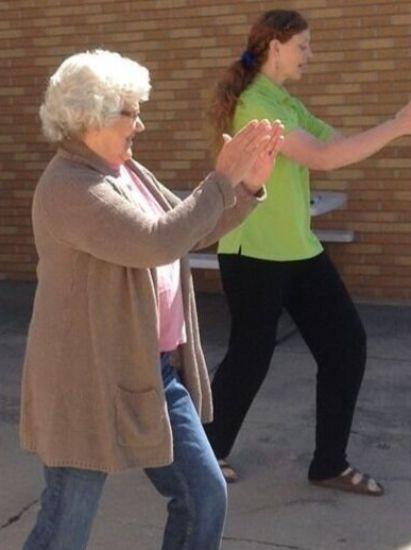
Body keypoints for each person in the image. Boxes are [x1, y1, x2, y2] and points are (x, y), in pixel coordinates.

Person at [20, 49, 282, 550]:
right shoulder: (70, 186)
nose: (140, 124)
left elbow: (185, 229)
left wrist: (244, 187)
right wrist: (221, 179)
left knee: (204, 496)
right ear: (89, 115)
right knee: (65, 527)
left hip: (152, 372)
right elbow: (155, 241)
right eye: (130, 112)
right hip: (84, 380)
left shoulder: (126, 171)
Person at [205, 9, 411, 496]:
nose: (310, 55)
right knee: (250, 356)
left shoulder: (286, 102)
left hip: (298, 250)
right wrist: (398, 124)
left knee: (345, 345)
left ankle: (329, 463)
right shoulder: (255, 104)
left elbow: (337, 144)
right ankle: (207, 454)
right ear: (275, 46)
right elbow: (321, 158)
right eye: (303, 46)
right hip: (254, 250)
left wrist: (398, 124)